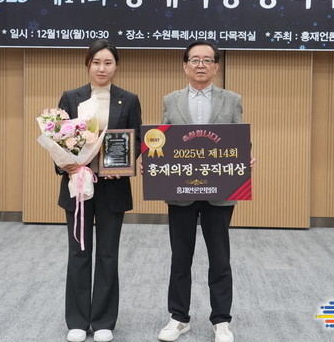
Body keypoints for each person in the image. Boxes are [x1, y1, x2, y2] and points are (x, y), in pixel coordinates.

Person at [156, 40, 254, 342]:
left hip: (220, 191)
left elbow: (239, 139)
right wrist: (153, 162)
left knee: (220, 258)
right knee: (180, 257)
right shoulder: (171, 100)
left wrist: (245, 157)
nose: (201, 65)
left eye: (207, 60)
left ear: (216, 66)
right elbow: (162, 141)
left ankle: (221, 320)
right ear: (185, 66)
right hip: (179, 191)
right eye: (195, 59)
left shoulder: (232, 99)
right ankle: (178, 318)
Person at [56, 40, 142, 342]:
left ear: (116, 66)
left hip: (113, 188)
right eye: (96, 62)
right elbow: (58, 138)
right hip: (78, 185)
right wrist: (66, 164)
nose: (101, 68)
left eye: (108, 62)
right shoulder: (71, 97)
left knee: (107, 253)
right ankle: (78, 320)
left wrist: (123, 164)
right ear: (88, 65)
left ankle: (104, 320)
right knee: (79, 252)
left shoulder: (128, 100)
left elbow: (135, 142)